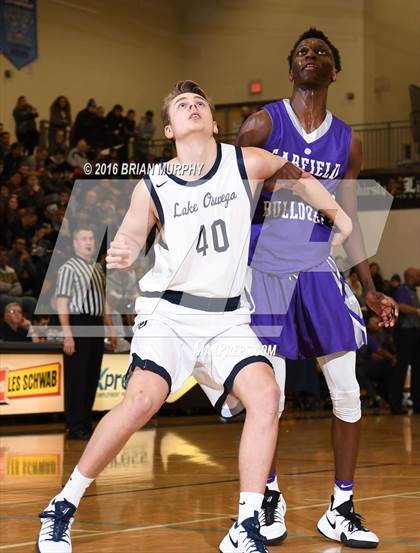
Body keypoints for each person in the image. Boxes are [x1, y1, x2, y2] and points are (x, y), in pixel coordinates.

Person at [36, 80, 352, 553]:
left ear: (212, 120)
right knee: (143, 400)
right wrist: (122, 247)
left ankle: (246, 525)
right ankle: (62, 505)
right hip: (170, 314)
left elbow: (298, 175)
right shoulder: (153, 183)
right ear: (169, 128)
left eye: (199, 103)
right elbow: (129, 233)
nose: (193, 107)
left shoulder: (245, 162)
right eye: (182, 105)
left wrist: (339, 218)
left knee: (267, 396)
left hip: (226, 318)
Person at [237, 28, 398, 548]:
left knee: (348, 392)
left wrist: (368, 286)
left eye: (322, 52)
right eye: (303, 52)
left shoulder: (348, 139)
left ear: (335, 71)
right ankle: (268, 497)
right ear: (291, 69)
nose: (312, 57)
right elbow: (226, 193)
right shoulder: (264, 122)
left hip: (318, 268)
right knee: (271, 399)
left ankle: (342, 505)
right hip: (265, 272)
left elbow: (348, 213)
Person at [55, 226, 117, 440]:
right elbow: (61, 303)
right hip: (78, 324)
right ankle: (74, 426)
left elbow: (104, 302)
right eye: (83, 238)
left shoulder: (99, 269)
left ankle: (85, 424)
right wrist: (68, 334)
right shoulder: (68, 268)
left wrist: (111, 329)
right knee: (77, 378)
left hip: (96, 325)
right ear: (75, 243)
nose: (88, 241)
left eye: (91, 237)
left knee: (91, 377)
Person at [391, 267, 420, 414]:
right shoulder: (403, 290)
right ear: (411, 277)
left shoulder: (414, 291)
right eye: (418, 275)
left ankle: (417, 403)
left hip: (414, 332)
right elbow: (401, 306)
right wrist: (417, 311)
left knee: (417, 367)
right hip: (404, 333)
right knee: (402, 367)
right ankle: (395, 404)